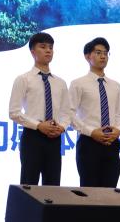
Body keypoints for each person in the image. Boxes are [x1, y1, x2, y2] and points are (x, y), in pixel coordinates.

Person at [8, 32, 73, 186]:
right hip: (33, 137)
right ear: (33, 52)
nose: (48, 50)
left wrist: (62, 127)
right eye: (43, 47)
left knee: (53, 186)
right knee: (29, 185)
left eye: (50, 47)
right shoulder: (23, 79)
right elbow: (14, 112)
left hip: (54, 137)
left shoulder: (60, 83)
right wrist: (38, 125)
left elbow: (67, 112)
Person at [69, 37, 120, 188]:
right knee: (90, 192)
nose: (103, 56)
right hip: (89, 143)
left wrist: (118, 130)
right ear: (87, 56)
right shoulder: (78, 84)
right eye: (98, 52)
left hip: (111, 143)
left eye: (106, 53)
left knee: (110, 192)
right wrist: (91, 132)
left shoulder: (115, 86)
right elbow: (69, 114)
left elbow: (119, 114)